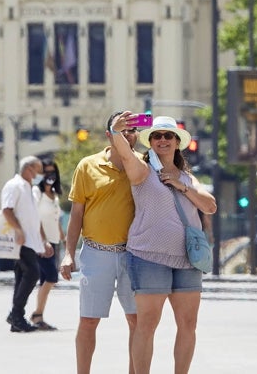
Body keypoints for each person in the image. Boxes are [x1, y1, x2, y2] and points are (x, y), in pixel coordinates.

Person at [110, 114, 217, 374]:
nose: (162, 140)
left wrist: (181, 185)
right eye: (157, 136)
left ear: (177, 142)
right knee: (147, 324)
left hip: (187, 261)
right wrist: (114, 131)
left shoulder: (188, 178)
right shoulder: (143, 171)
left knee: (188, 324)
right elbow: (125, 155)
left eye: (168, 135)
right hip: (148, 257)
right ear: (151, 142)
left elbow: (210, 206)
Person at [60, 112, 139, 374]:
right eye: (122, 130)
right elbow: (77, 216)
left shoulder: (141, 166)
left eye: (133, 130)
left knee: (137, 321)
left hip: (134, 255)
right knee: (89, 320)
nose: (129, 135)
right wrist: (68, 254)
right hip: (96, 253)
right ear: (110, 135)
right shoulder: (87, 166)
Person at [1, 155, 52, 333]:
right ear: (28, 168)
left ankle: (16, 317)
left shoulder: (28, 188)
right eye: (37, 170)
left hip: (31, 240)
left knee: (22, 277)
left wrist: (43, 241)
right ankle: (16, 315)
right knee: (32, 274)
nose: (39, 174)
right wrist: (18, 230)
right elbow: (6, 210)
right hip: (21, 241)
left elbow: (33, 218)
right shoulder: (14, 185)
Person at [30, 158, 65, 331]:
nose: (50, 175)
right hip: (41, 243)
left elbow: (55, 218)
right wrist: (43, 241)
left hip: (54, 242)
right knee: (51, 277)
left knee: (47, 279)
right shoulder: (37, 193)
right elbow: (35, 217)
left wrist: (63, 237)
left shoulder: (54, 194)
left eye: (53, 172)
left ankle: (39, 317)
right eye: (47, 172)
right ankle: (37, 313)